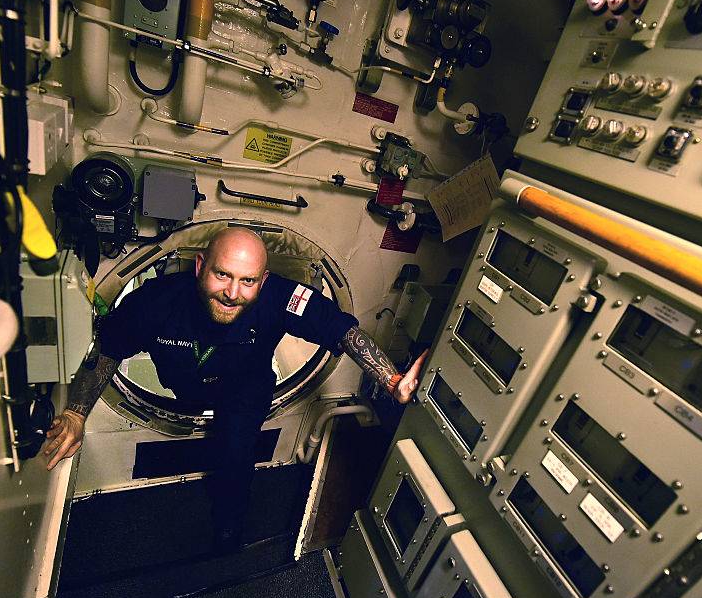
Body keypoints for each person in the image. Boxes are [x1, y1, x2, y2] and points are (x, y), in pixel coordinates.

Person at [43, 227, 426, 552]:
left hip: (245, 390)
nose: (232, 292)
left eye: (247, 281)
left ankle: (228, 531)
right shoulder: (156, 301)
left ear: (263, 281)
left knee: (236, 453)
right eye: (222, 275)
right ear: (200, 267)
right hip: (184, 384)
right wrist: (76, 413)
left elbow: (342, 331)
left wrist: (390, 379)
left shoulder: (281, 297)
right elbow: (109, 349)